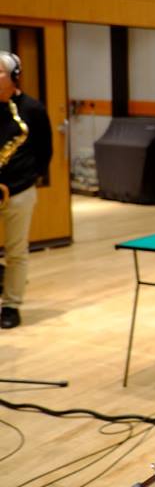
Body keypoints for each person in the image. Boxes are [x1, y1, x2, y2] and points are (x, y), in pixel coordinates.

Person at [0, 51, 53, 329]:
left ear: (14, 76)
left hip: (18, 190)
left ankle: (11, 306)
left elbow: (45, 152)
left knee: (16, 251)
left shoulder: (32, 109)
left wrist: (24, 180)